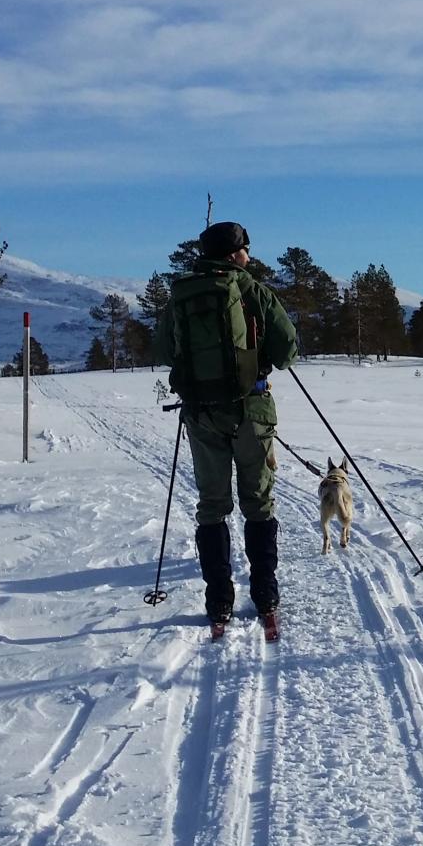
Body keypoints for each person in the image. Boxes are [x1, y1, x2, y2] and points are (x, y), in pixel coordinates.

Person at [154, 221, 301, 639]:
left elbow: (163, 350)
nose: (249, 256)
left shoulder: (182, 295)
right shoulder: (254, 291)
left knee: (212, 505)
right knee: (258, 502)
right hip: (252, 410)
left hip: (202, 414)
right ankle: (265, 594)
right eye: (246, 249)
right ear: (235, 254)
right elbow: (287, 351)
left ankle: (219, 600)